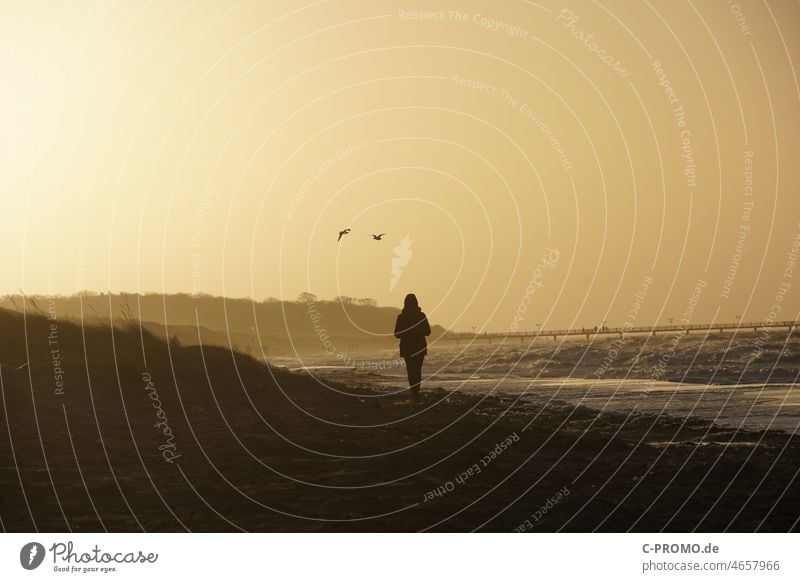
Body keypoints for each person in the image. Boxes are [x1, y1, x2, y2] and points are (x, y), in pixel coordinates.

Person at [394, 293, 431, 403]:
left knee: (411, 370)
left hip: (407, 348)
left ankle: (414, 392)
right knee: (417, 370)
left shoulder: (402, 317)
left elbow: (397, 333)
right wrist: (416, 332)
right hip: (418, 347)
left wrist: (407, 332)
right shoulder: (421, 316)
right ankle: (416, 392)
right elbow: (428, 332)